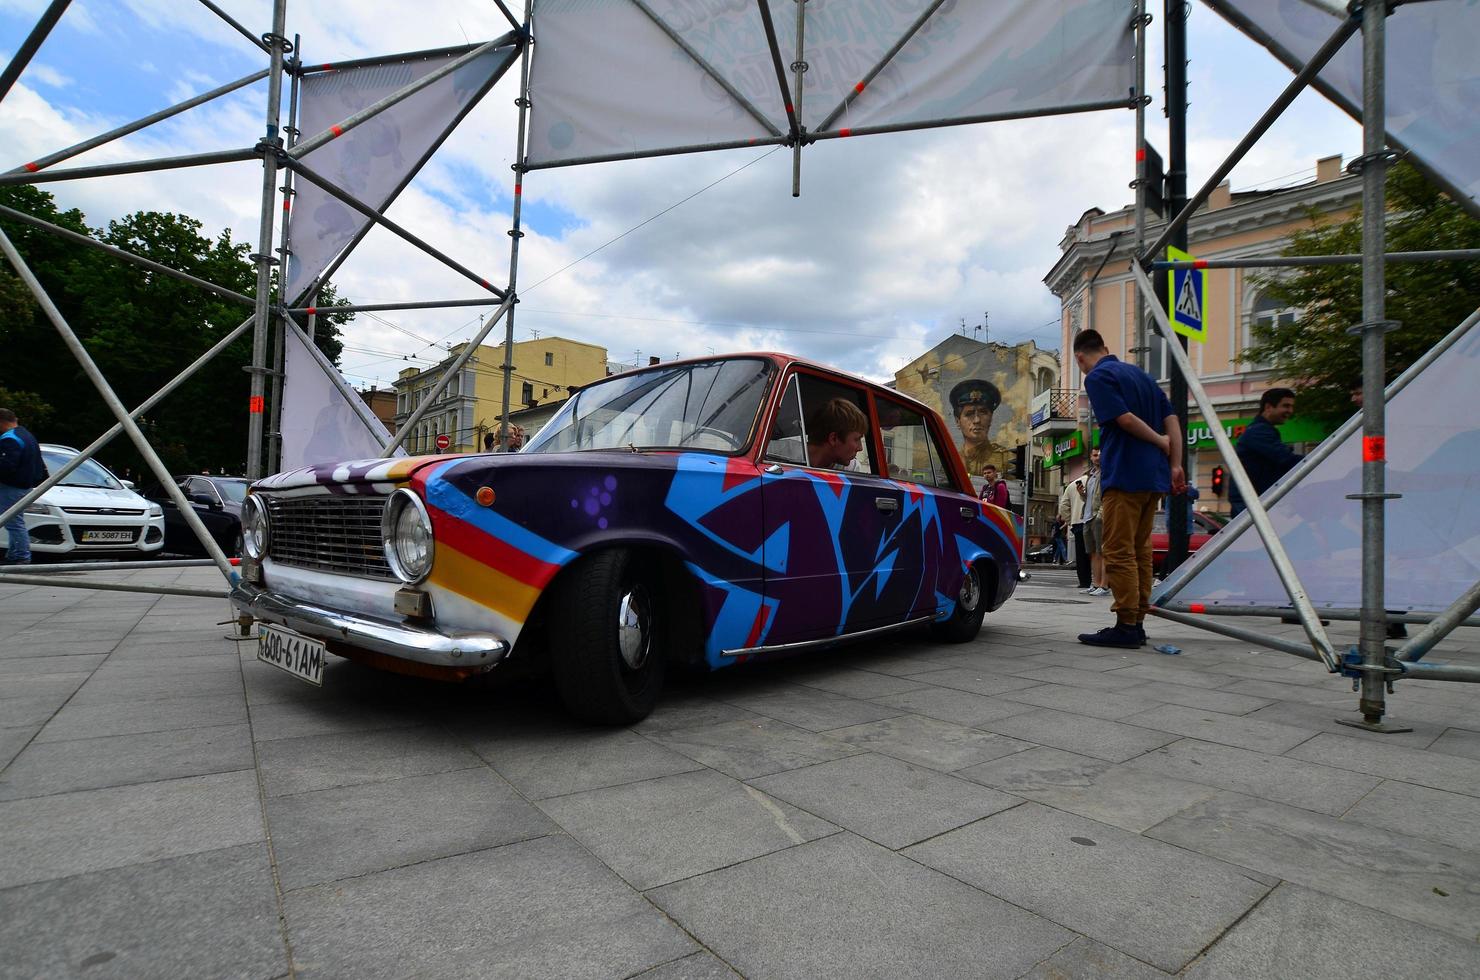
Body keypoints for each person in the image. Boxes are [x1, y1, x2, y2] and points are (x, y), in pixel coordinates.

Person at [1072, 330, 1184, 648]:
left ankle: (1126, 626)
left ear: (1080, 357)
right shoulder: (1142, 376)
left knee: (1119, 551)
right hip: (1154, 478)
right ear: (1106, 348)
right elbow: (1172, 418)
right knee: (1141, 551)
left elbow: (1124, 420)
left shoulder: (1097, 377)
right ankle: (1138, 622)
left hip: (1125, 472)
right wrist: (1174, 462)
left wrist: (1159, 441)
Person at [1228, 388, 1301, 518]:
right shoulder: (1259, 431)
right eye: (1286, 406)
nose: (1290, 411)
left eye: (1292, 406)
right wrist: (1321, 460)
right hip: (1251, 502)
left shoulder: (1262, 430)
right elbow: (1285, 459)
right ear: (1268, 407)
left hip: (1254, 499)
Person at [0, 408, 47, 566]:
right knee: (15, 521)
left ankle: (20, 556)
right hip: (24, 485)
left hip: (11, 487)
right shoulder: (26, 436)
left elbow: (6, 466)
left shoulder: (9, 439)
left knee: (13, 523)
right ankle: (14, 554)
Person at [948, 380, 1012, 478]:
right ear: (958, 421)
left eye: (983, 412)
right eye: (969, 414)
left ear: (991, 418)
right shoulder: (951, 460)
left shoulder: (1006, 458)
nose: (977, 420)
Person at [806, 397, 868, 470]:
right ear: (834, 439)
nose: (860, 448)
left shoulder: (851, 468)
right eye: (857, 439)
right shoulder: (790, 458)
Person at [1058, 467, 1090, 588]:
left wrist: (1070, 520)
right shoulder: (1096, 481)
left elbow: (1063, 506)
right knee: (1097, 553)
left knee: (1081, 554)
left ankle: (1084, 581)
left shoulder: (1072, 485)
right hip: (1094, 520)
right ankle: (1102, 582)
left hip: (1078, 523)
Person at [1082, 447, 1108, 596]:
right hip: (1087, 516)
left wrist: (1101, 514)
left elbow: (1106, 496)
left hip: (1098, 516)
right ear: (1091, 457)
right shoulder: (1090, 475)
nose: (1097, 457)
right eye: (1094, 455)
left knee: (1103, 552)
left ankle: (1104, 586)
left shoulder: (1105, 474)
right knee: (1092, 552)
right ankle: (1096, 583)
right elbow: (1091, 498)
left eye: (1099, 455)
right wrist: (1082, 494)